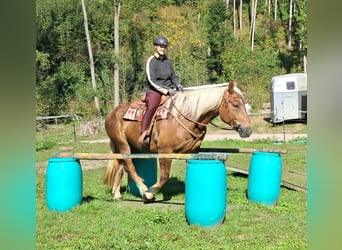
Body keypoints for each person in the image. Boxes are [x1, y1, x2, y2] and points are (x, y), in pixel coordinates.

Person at [138, 35, 184, 146]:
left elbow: (174, 76)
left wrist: (177, 84)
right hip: (155, 90)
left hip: (170, 89)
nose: (162, 49)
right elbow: (151, 80)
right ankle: (143, 133)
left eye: (164, 47)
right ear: (155, 47)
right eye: (160, 46)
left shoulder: (168, 62)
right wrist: (166, 91)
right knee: (152, 106)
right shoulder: (151, 61)